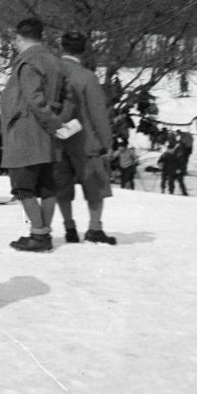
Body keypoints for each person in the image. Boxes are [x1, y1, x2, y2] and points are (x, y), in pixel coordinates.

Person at [0, 18, 76, 252]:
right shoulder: (55, 61)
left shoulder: (28, 62)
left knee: (24, 187)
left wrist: (52, 122)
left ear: (20, 38)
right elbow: (67, 96)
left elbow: (34, 99)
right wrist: (60, 121)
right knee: (47, 186)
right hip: (47, 135)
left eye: (16, 40)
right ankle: (42, 234)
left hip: (27, 132)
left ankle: (40, 236)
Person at [53, 32, 116, 244]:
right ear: (83, 50)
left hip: (58, 139)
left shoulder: (50, 73)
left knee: (61, 186)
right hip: (85, 141)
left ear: (62, 47)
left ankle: (69, 227)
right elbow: (98, 114)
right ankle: (94, 228)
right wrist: (106, 142)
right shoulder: (87, 77)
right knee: (95, 186)